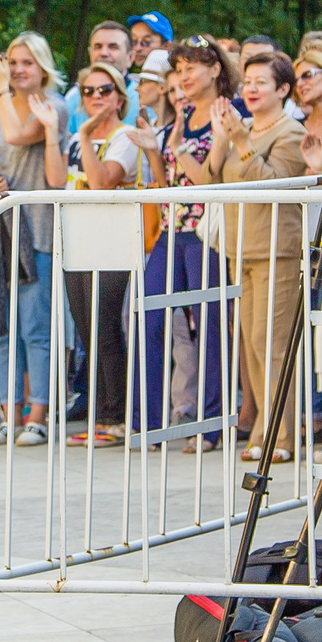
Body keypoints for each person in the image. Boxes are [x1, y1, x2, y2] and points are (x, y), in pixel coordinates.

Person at [0, 32, 69, 444]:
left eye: (27, 62)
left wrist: (3, 91)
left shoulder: (51, 106)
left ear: (43, 68)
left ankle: (38, 414)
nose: (19, 69)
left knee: (34, 328)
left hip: (36, 230)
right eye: (12, 61)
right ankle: (9, 413)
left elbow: (18, 135)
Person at [210, 49, 307, 460]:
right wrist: (222, 137)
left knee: (274, 344)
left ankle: (282, 437)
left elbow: (273, 185)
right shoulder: (241, 127)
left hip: (275, 249)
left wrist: (240, 141)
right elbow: (210, 177)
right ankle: (263, 432)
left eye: (260, 82)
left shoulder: (290, 133)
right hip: (240, 246)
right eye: (246, 82)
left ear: (283, 89)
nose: (250, 89)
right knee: (250, 345)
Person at [133, 35, 230, 447]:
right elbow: (167, 179)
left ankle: (210, 424)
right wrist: (156, 150)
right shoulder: (179, 117)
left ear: (215, 70)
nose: (185, 75)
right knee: (147, 315)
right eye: (180, 68)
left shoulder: (228, 114)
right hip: (172, 228)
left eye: (193, 66)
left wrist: (175, 149)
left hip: (207, 232)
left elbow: (209, 177)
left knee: (209, 324)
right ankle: (147, 423)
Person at [65, 61, 143, 446]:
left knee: (105, 327)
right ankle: (99, 414)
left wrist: (82, 136)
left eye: (104, 90)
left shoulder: (127, 136)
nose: (96, 97)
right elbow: (53, 179)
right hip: (78, 237)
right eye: (89, 91)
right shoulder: (73, 138)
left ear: (119, 97)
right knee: (85, 330)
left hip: (113, 238)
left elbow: (100, 182)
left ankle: (115, 417)